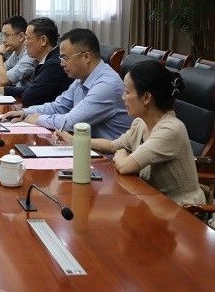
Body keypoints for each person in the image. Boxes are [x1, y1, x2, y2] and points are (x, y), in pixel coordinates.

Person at [56, 61, 205, 206]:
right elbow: (112, 145)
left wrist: (121, 154)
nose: (123, 98)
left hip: (182, 210)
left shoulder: (170, 130)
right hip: (151, 202)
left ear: (146, 97)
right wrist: (74, 140)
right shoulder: (140, 123)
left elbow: (125, 166)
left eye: (127, 92)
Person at [1, 28, 132, 139]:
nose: (61, 63)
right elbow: (59, 106)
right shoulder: (82, 78)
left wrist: (38, 119)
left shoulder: (106, 85)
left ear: (86, 57)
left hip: (107, 157)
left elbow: (71, 122)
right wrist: (25, 112)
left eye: (65, 58)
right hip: (83, 147)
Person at [0, 17, 73, 106]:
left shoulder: (54, 64)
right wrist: (1, 90)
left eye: (28, 38)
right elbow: (31, 90)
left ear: (43, 40)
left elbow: (30, 95)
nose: (25, 43)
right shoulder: (46, 59)